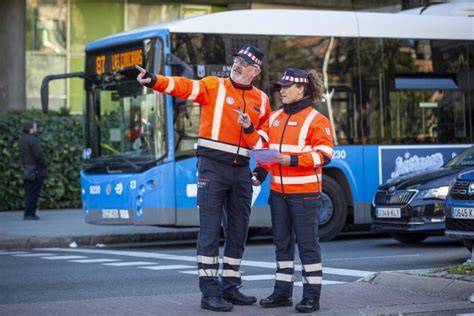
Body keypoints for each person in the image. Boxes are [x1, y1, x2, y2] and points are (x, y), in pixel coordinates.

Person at [136, 45, 271, 312]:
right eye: (236, 60)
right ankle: (209, 292)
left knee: (238, 231)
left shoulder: (262, 100)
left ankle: (231, 286)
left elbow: (265, 137)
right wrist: (154, 80)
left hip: (242, 169)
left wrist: (262, 168)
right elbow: (184, 86)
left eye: (244, 63)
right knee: (209, 232)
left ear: (255, 71)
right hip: (212, 167)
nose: (237, 65)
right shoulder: (214, 86)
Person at [236, 68, 334, 313]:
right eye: (280, 86)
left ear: (301, 89)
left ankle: (311, 297)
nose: (281, 90)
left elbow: (325, 155)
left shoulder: (317, 120)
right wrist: (249, 130)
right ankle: (282, 294)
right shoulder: (275, 117)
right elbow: (261, 146)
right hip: (278, 194)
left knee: (308, 245)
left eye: (286, 87)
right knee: (282, 244)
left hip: (305, 194)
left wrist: (290, 160)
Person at [19, 121, 48, 220]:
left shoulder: (22, 140)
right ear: (31, 129)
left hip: (26, 170)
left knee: (28, 192)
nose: (36, 129)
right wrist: (44, 164)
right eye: (35, 127)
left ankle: (27, 213)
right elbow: (39, 155)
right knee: (34, 193)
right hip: (36, 171)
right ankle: (30, 214)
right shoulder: (33, 140)